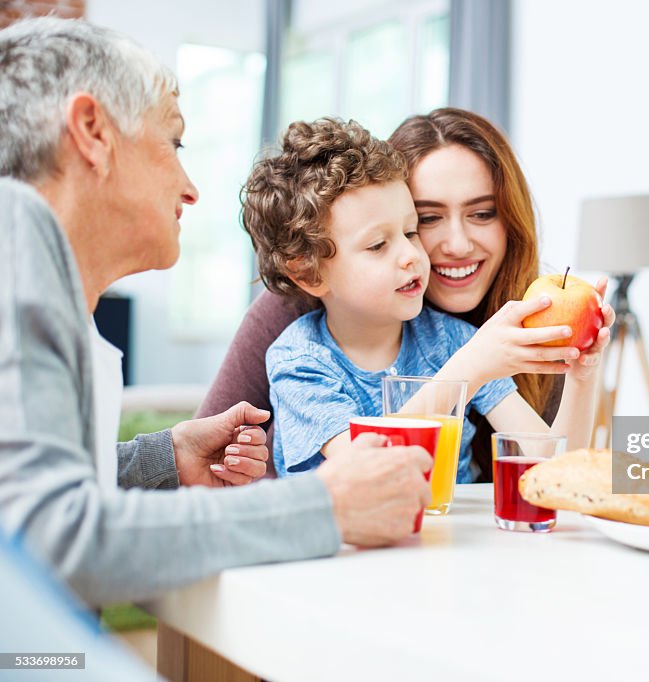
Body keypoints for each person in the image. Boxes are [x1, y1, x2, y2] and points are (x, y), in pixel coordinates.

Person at [0, 17, 431, 607]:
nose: (190, 187)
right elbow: (49, 541)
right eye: (172, 143)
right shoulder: (12, 231)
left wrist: (163, 457)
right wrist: (325, 506)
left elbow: (22, 498)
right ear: (93, 132)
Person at [199, 108, 573, 478]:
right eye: (428, 218)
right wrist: (467, 370)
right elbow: (201, 466)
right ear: (308, 273)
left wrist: (583, 374)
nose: (416, 254)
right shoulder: (295, 328)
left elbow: (580, 468)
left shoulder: (533, 314)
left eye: (482, 213)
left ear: (511, 219)